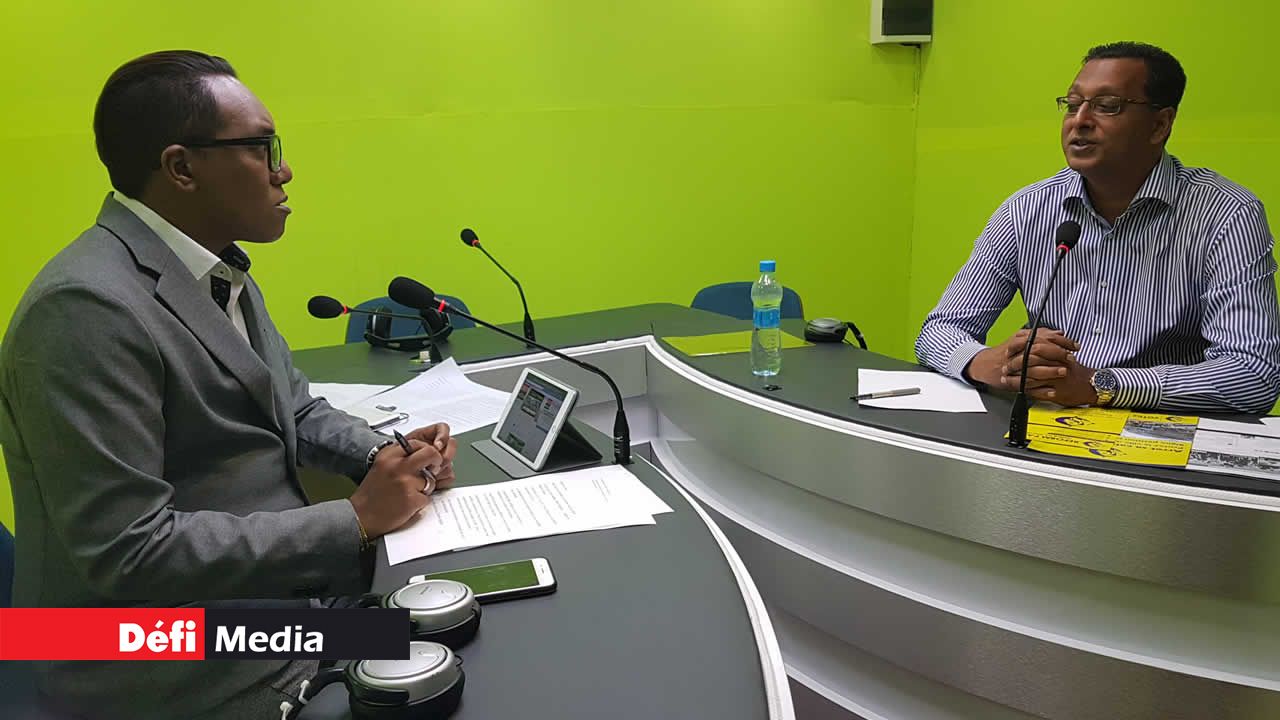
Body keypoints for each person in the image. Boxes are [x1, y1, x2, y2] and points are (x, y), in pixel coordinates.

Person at [0, 50, 458, 719]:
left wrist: (386, 455)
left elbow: (293, 408)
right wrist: (356, 518)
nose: (283, 170)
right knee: (447, 679)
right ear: (181, 168)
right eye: (261, 147)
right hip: (153, 659)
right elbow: (128, 551)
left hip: (268, 608)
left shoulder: (216, 270)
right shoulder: (85, 310)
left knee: (469, 631)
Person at [916, 41, 1280, 414]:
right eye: (1073, 105)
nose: (1080, 121)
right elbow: (939, 331)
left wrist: (1099, 385)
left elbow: (1253, 374)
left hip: (1158, 432)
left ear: (1160, 125)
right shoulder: (1028, 210)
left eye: (1107, 106)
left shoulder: (1226, 214)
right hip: (1045, 425)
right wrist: (991, 364)